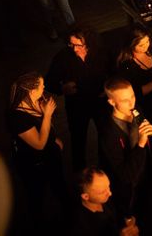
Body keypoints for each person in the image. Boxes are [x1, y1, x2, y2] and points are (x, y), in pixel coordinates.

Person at [7, 72, 67, 228]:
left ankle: (69, 215)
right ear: (32, 91)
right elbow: (39, 144)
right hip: (34, 164)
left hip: (51, 158)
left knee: (60, 187)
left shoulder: (36, 101)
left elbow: (46, 130)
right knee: (36, 195)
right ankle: (38, 225)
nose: (44, 88)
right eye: (41, 86)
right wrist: (47, 115)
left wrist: (54, 140)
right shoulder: (17, 117)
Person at [46, 26, 109, 170]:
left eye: (79, 45)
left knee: (105, 136)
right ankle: (80, 171)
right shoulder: (62, 57)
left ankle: (104, 167)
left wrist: (108, 88)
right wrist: (62, 89)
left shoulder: (101, 53)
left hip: (100, 102)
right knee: (78, 139)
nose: (74, 49)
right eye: (71, 44)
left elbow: (114, 73)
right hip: (77, 106)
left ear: (89, 43)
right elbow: (49, 82)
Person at [99, 77, 152, 217]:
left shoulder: (137, 111)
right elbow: (124, 175)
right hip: (129, 192)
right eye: (125, 100)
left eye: (133, 96)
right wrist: (141, 143)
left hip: (146, 178)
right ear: (112, 102)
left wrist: (149, 135)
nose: (132, 103)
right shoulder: (109, 133)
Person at [71, 167, 140, 236]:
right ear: (86, 196)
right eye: (102, 192)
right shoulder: (80, 225)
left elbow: (119, 213)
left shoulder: (105, 200)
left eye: (108, 186)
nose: (110, 193)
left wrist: (127, 221)